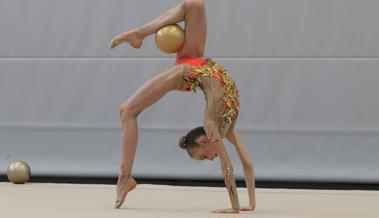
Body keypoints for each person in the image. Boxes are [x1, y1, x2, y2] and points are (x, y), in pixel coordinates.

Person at [109, 0, 256, 213]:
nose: (210, 158)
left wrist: (245, 205)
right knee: (194, 5)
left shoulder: (221, 125)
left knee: (127, 110)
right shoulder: (219, 127)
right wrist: (241, 205)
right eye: (205, 156)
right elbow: (235, 165)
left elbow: (239, 163)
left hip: (191, 69)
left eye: (204, 157)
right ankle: (125, 177)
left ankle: (124, 177)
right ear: (204, 140)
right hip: (193, 64)